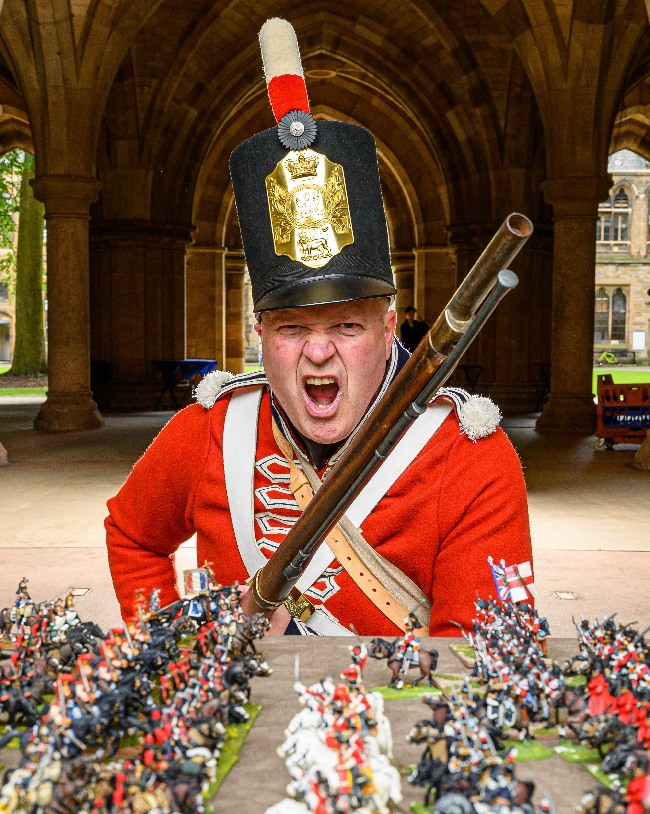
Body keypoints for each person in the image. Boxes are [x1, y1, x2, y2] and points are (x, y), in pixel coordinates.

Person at [105, 18, 532, 636]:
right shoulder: (211, 431)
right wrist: (172, 653)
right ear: (260, 334)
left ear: (390, 329)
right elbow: (132, 534)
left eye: (348, 326)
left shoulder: (470, 459)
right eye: (291, 329)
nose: (319, 352)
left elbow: (479, 660)